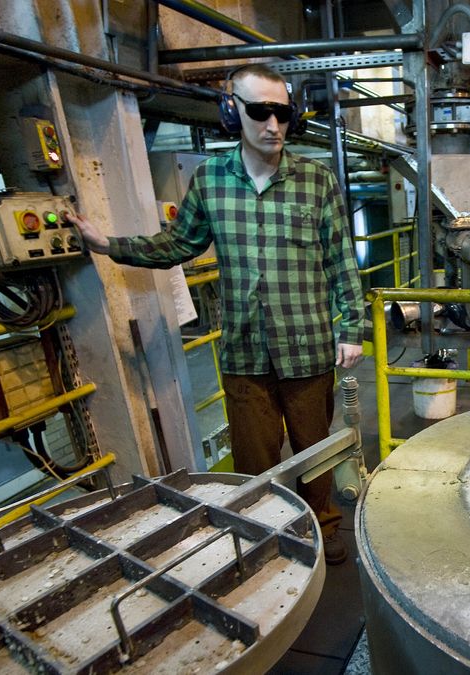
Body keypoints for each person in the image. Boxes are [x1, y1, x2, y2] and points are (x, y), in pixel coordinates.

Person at [66, 63, 364, 565]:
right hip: (244, 351)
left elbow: (340, 259)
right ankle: (265, 533)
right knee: (254, 460)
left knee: (314, 450)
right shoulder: (210, 181)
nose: (273, 125)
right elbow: (177, 244)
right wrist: (108, 245)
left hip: (308, 346)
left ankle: (324, 525)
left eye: (282, 113)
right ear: (233, 112)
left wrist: (351, 327)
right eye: (259, 111)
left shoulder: (317, 180)